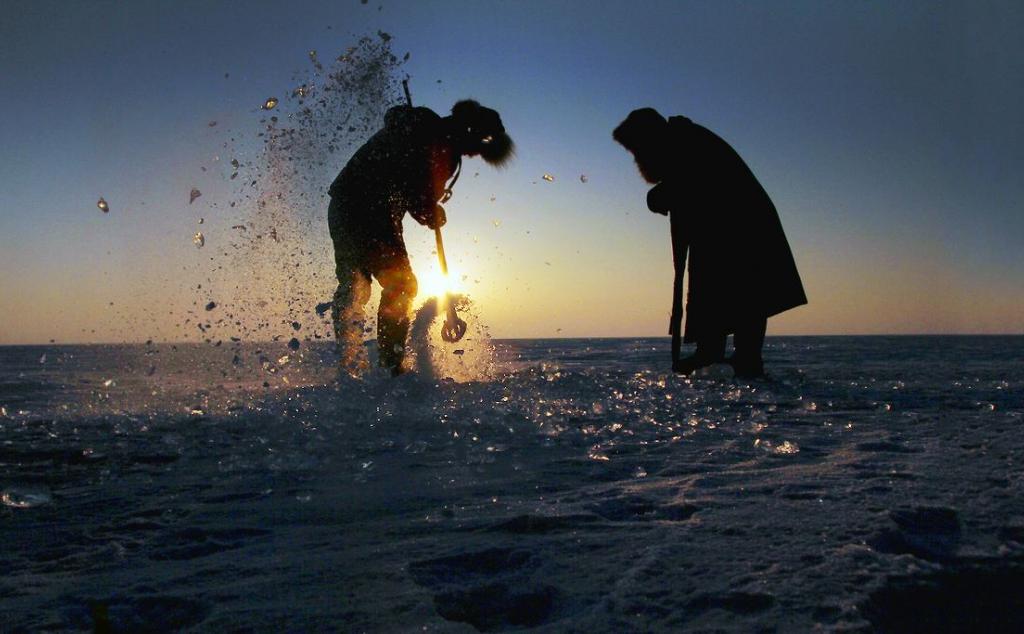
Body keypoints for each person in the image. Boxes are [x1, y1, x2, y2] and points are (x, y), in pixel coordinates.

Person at [613, 108, 807, 378]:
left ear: (649, 142)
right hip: (731, 227)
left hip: (744, 226)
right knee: (724, 286)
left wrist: (659, 196)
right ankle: (720, 352)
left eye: (636, 152)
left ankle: (739, 358)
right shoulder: (684, 143)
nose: (636, 161)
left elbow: (692, 181)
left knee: (745, 289)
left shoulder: (687, 145)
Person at [328, 99, 513, 375]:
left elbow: (413, 186)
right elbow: (415, 188)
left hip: (344, 203)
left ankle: (349, 363)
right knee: (401, 286)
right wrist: (430, 211)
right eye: (480, 142)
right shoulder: (435, 138)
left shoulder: (423, 124)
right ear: (471, 130)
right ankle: (391, 367)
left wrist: (428, 208)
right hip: (371, 208)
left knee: (355, 284)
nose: (477, 153)